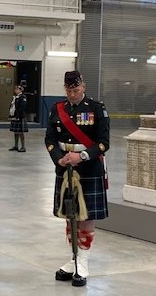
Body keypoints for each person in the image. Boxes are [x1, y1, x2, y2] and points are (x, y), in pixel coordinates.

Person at [44, 70, 110, 287]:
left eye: (76, 89)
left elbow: (103, 143)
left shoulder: (96, 108)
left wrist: (80, 156)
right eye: (69, 90)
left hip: (88, 168)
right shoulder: (57, 109)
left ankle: (83, 260)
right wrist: (59, 158)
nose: (72, 94)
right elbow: (50, 139)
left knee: (86, 215)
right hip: (65, 168)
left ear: (84, 87)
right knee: (69, 213)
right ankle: (73, 259)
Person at [8, 85, 28, 152]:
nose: (15, 90)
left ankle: (23, 147)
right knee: (15, 131)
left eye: (17, 89)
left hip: (20, 116)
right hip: (14, 116)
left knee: (20, 132)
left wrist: (18, 116)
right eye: (15, 89)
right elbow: (12, 106)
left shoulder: (23, 97)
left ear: (21, 90)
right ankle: (16, 145)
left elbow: (22, 107)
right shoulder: (15, 97)